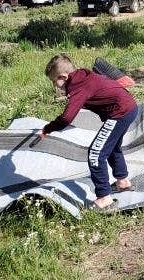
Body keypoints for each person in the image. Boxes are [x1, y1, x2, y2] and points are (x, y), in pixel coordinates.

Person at [40, 53, 138, 210]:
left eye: (54, 81)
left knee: (95, 153)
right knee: (111, 146)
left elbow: (67, 118)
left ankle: (104, 199)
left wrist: (48, 128)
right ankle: (123, 183)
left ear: (64, 77)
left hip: (120, 113)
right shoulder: (82, 76)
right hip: (129, 107)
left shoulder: (77, 86)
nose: (54, 86)